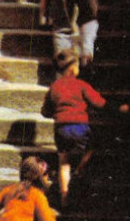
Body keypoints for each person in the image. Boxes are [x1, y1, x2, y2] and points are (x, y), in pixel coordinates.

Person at [42, 48, 125, 205]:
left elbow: (45, 111)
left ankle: (64, 198)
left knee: (63, 162)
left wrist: (56, 113)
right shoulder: (81, 85)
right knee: (91, 148)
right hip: (79, 127)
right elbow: (99, 102)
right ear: (73, 69)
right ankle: (80, 169)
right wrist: (118, 108)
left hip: (60, 129)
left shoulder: (54, 87)